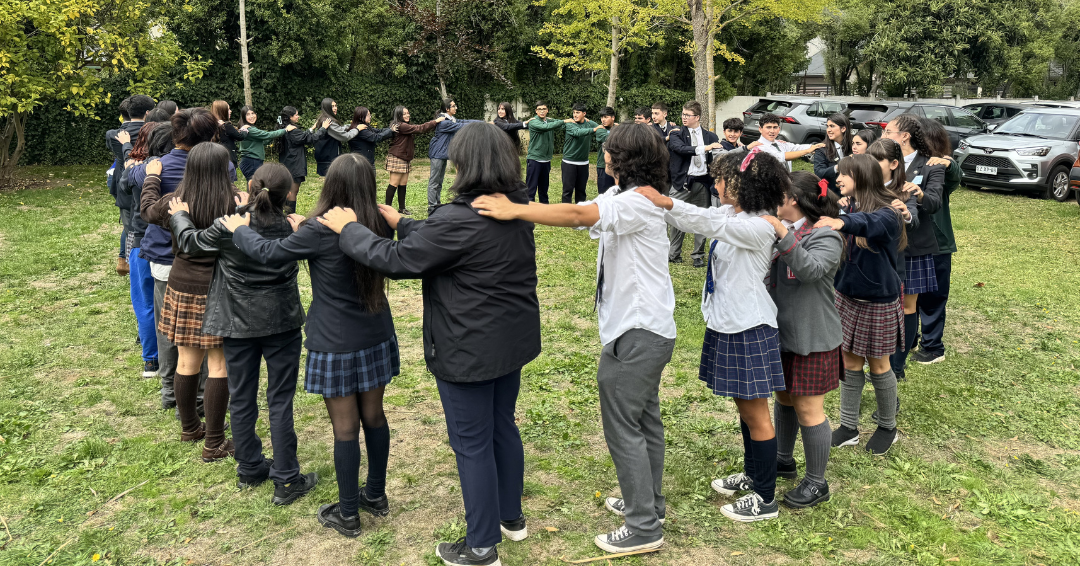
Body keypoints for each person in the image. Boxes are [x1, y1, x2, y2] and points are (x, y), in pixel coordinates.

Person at [318, 122, 540, 566]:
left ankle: (480, 546)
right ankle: (510, 518)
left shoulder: (460, 217)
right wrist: (405, 222)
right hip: (510, 341)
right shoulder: (513, 205)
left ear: (465, 164)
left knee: (472, 442)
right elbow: (443, 239)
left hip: (468, 350)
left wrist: (349, 229)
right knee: (502, 426)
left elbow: (396, 260)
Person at [473, 122, 675, 554]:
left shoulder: (637, 204)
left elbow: (578, 215)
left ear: (622, 159)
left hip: (636, 332)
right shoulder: (624, 197)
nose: (604, 155)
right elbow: (588, 208)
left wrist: (515, 210)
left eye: (609, 150)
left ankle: (643, 527)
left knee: (625, 428)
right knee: (644, 420)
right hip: (645, 329)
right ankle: (650, 504)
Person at [227, 154, 398, 536]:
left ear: (330, 185)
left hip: (335, 342)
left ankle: (349, 513)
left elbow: (269, 255)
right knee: (375, 417)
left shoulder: (319, 229)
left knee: (345, 429)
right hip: (376, 333)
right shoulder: (379, 222)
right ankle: (376, 495)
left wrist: (241, 228)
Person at [637, 148, 787, 523]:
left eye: (722, 179)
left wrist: (666, 200)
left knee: (756, 413)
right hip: (728, 322)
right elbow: (701, 217)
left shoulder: (759, 225)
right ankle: (754, 476)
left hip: (748, 325)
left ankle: (765, 498)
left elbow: (705, 224)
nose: (716, 184)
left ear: (743, 185)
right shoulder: (732, 213)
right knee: (744, 407)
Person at [168, 161, 318, 505]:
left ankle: (250, 466)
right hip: (281, 322)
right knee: (280, 399)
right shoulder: (294, 228)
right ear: (289, 194)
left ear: (251, 185)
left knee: (242, 395)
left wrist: (180, 215)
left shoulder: (230, 224)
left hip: (236, 323)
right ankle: (285, 477)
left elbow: (190, 244)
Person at [140, 142, 235, 462]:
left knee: (186, 361)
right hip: (220, 289)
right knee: (219, 364)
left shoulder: (175, 202)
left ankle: (190, 427)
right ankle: (215, 441)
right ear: (224, 170)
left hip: (181, 287)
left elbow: (147, 210)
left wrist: (152, 178)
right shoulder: (234, 202)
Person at [131, 109, 228, 413]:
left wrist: (151, 176)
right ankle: (204, 408)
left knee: (172, 335)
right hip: (214, 270)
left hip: (171, 264)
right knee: (215, 354)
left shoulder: (160, 173)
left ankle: (172, 395)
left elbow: (144, 207)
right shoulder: (224, 176)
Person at [759, 171, 844, 509]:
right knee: (784, 398)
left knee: (809, 408)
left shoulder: (825, 236)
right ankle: (783, 459)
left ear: (792, 199)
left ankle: (816, 482)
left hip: (814, 335)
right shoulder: (788, 231)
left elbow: (809, 270)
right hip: (781, 331)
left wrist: (780, 232)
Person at [814, 153, 907, 456]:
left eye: (844, 175)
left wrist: (842, 220)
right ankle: (849, 426)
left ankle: (888, 427)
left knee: (879, 366)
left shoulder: (887, 212)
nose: (837, 179)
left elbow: (868, 223)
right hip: (847, 297)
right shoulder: (850, 204)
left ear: (863, 178)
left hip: (878, 300)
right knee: (850, 361)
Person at [884, 114, 944, 380]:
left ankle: (897, 365)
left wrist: (918, 194)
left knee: (908, 306)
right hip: (884, 242)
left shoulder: (931, 165)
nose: (883, 136)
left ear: (904, 136)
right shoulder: (883, 160)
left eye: (888, 132)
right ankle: (881, 355)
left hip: (915, 244)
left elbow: (934, 203)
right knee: (886, 303)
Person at [914, 117, 960, 366]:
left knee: (933, 296)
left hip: (937, 243)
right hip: (909, 241)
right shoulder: (906, 165)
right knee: (909, 295)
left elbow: (955, 176)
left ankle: (933, 346)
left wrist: (947, 162)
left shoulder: (939, 166)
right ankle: (909, 337)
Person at [120, 121, 163, 379]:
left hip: (139, 239)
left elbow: (121, 193)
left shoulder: (136, 169)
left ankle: (151, 361)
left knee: (145, 303)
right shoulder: (173, 166)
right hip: (165, 242)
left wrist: (127, 156)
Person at [666, 101, 722, 267]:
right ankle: (673, 254)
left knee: (702, 219)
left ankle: (698, 255)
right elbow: (681, 149)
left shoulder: (711, 137)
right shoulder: (676, 134)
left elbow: (717, 155)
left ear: (697, 117)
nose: (684, 118)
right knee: (675, 217)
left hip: (703, 182)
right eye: (683, 114)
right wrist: (705, 148)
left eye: (687, 115)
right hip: (682, 182)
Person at [108, 94, 155, 275]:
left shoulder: (113, 134)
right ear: (148, 113)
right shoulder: (154, 131)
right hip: (148, 179)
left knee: (130, 228)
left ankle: (126, 260)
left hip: (123, 182)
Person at [385, 105, 445, 215]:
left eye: (408, 113)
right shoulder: (400, 126)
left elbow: (420, 128)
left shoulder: (405, 125)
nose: (407, 115)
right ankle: (386, 209)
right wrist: (435, 121)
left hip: (405, 157)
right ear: (398, 115)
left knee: (403, 183)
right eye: (404, 113)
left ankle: (402, 208)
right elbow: (419, 128)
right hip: (397, 157)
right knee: (394, 183)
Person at [428, 97, 481, 214]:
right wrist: (481, 123)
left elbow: (463, 122)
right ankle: (432, 207)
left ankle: (437, 203)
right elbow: (461, 126)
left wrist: (480, 122)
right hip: (437, 154)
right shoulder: (444, 122)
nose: (456, 107)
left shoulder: (451, 119)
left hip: (442, 154)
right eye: (453, 106)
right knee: (434, 181)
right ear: (447, 109)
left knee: (439, 181)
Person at [277, 106, 331, 215]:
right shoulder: (292, 131)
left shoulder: (286, 128)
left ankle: (287, 214)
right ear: (290, 117)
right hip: (294, 164)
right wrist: (323, 128)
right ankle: (290, 216)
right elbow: (310, 139)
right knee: (293, 191)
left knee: (289, 191)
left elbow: (302, 136)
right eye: (296, 114)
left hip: (287, 162)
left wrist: (313, 127)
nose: (298, 116)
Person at [748, 114, 824, 171]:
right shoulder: (758, 147)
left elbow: (796, 147)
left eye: (775, 127)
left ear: (779, 129)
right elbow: (782, 157)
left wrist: (816, 146)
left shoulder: (780, 143)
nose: (772, 131)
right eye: (768, 127)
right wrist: (807, 151)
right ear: (760, 129)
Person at [524, 100, 563, 203]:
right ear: (536, 111)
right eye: (539, 109)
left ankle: (544, 211)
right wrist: (563, 121)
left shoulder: (549, 121)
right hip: (534, 159)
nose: (542, 111)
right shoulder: (533, 122)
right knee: (531, 189)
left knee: (544, 189)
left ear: (547, 110)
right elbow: (545, 127)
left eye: (544, 109)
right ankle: (528, 212)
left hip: (546, 160)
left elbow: (556, 125)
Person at [236, 105, 287, 182]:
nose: (251, 116)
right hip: (251, 161)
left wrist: (276, 131)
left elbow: (263, 141)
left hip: (252, 160)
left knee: (254, 186)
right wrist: (285, 130)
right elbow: (267, 135)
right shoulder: (249, 129)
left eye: (253, 113)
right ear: (243, 117)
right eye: (248, 114)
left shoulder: (250, 128)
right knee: (255, 186)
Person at [560, 103, 598, 204]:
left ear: (584, 113)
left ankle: (580, 213)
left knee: (581, 191)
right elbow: (578, 132)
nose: (575, 115)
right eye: (574, 112)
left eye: (578, 112)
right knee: (567, 191)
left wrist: (613, 126)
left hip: (583, 163)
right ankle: (566, 214)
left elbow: (602, 128)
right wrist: (594, 129)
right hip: (569, 162)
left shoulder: (589, 123)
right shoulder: (570, 124)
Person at [313, 98, 357, 176]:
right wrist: (357, 129)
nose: (335, 108)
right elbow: (345, 136)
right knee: (334, 183)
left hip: (326, 157)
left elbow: (338, 130)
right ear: (327, 108)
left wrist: (349, 126)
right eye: (332, 106)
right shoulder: (329, 121)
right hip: (329, 158)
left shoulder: (324, 118)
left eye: (335, 106)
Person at [812, 113, 852, 195]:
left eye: (832, 126)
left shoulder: (853, 147)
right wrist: (838, 167)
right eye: (827, 126)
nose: (828, 130)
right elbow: (819, 173)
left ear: (843, 128)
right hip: (833, 195)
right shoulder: (822, 149)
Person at [210, 100, 247, 173]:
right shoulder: (226, 125)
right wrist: (244, 130)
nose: (230, 111)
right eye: (228, 109)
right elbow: (239, 136)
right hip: (228, 159)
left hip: (214, 158)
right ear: (222, 111)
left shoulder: (210, 124)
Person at [593, 107, 617, 194]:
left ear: (613, 118)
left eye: (606, 117)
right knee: (604, 194)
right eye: (602, 117)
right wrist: (620, 131)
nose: (603, 120)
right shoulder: (600, 130)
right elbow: (608, 138)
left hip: (617, 166)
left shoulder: (618, 128)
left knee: (617, 194)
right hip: (603, 166)